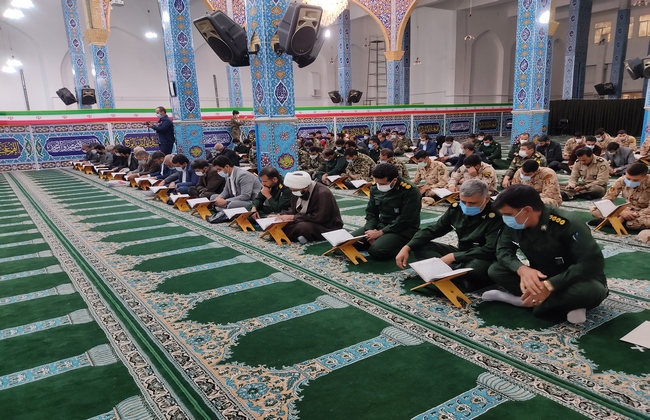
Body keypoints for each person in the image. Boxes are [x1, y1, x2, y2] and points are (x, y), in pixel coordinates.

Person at [484, 185, 608, 324]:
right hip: (542, 276)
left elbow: (591, 263)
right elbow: (503, 250)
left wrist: (550, 285)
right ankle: (566, 305)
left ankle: (524, 302)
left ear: (527, 210)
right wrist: (521, 269)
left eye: (508, 214)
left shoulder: (567, 223)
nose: (505, 218)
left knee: (590, 291)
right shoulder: (516, 223)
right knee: (496, 270)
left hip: (574, 279)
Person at [396, 179, 502, 291]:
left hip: (482, 257)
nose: (467, 206)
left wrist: (454, 257)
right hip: (462, 252)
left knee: (476, 268)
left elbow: (490, 249)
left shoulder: (497, 215)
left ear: (486, 199)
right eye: (463, 201)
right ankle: (457, 277)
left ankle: (449, 275)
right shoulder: (457, 208)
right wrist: (407, 247)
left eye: (472, 203)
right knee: (420, 246)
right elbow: (435, 229)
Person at [351, 163, 421, 259]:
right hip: (381, 224)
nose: (379, 186)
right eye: (377, 183)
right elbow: (371, 212)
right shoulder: (375, 187)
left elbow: (406, 219)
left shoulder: (410, 191)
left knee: (376, 251)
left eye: (383, 184)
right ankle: (382, 241)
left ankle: (409, 246)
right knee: (350, 242)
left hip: (403, 230)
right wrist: (369, 230)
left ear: (394, 180)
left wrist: (380, 233)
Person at [274, 171, 343, 242]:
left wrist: (294, 217)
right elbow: (294, 209)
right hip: (306, 219)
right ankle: (299, 236)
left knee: (302, 227)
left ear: (306, 188)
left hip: (326, 226)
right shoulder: (298, 190)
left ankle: (283, 234)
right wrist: (280, 216)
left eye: (294, 190)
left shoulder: (323, 193)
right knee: (282, 224)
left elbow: (320, 218)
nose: (293, 192)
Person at [588, 163, 650, 230]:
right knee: (594, 209)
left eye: (635, 180)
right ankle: (617, 222)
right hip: (628, 209)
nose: (630, 181)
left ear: (645, 177)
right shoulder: (622, 180)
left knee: (635, 223)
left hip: (644, 213)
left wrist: (630, 215)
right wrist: (620, 212)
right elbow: (606, 200)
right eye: (628, 178)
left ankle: (613, 222)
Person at [206, 156, 262, 223]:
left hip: (251, 201)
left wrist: (226, 201)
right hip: (236, 199)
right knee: (213, 197)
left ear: (227, 166)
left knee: (232, 204)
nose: (218, 172)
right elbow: (226, 191)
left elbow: (245, 196)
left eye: (219, 169)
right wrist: (219, 197)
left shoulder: (243, 175)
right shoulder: (228, 175)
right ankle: (225, 211)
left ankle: (223, 211)